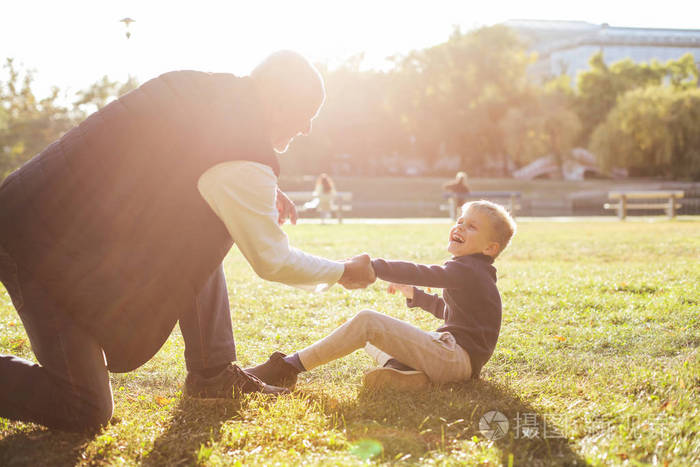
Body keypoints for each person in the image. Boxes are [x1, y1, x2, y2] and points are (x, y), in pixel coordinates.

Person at [0, 50, 375, 431]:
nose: (308, 127)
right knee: (85, 407)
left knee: (203, 221)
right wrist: (344, 271)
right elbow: (272, 260)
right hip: (32, 237)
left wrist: (259, 189)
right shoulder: (239, 151)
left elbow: (180, 171)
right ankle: (211, 373)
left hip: (51, 220)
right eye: (306, 111)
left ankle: (211, 373)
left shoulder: (209, 93)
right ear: (277, 101)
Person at [246, 200, 516, 391]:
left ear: (490, 248)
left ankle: (288, 368)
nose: (460, 227)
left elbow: (424, 272)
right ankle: (409, 374)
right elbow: (450, 312)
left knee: (366, 322)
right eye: (460, 221)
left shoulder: (470, 270)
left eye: (472, 227)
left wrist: (375, 267)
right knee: (364, 337)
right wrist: (415, 295)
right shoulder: (474, 272)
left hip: (455, 360)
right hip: (453, 360)